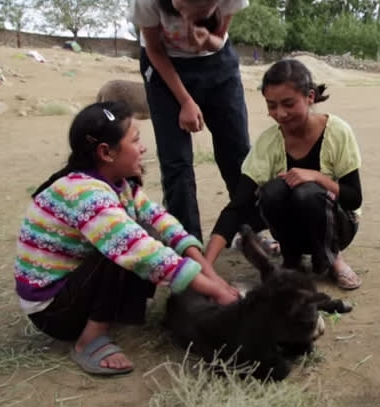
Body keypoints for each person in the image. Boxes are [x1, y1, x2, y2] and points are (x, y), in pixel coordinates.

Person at [14, 101, 241, 376]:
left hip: (75, 287)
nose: (143, 148)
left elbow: (165, 224)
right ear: (106, 152)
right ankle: (89, 339)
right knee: (128, 245)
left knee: (147, 230)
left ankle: (113, 313)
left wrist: (213, 277)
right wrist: (215, 291)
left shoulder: (119, 184)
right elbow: (143, 251)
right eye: (135, 140)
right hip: (53, 311)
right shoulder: (85, 194)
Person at [205, 59, 364, 290]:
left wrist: (318, 177)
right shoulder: (269, 143)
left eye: (289, 103)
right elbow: (238, 205)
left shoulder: (338, 132)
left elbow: (353, 198)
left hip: (338, 226)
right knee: (272, 191)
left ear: (310, 97)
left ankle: (333, 258)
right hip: (296, 230)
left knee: (307, 193)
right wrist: (206, 265)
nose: (280, 113)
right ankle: (292, 259)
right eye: (272, 105)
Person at [128, 0, 251, 240]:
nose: (185, 18)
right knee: (176, 162)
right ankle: (186, 242)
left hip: (217, 64)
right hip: (165, 67)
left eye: (197, 13)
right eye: (180, 8)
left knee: (237, 151)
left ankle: (251, 229)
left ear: (217, 2)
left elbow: (219, 40)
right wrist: (185, 101)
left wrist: (206, 39)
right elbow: (155, 50)